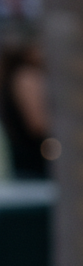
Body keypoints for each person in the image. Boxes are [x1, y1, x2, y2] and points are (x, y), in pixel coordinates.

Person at [0, 42, 48, 180]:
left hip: (24, 161)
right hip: (33, 161)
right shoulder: (26, 76)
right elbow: (38, 125)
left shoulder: (15, 75)